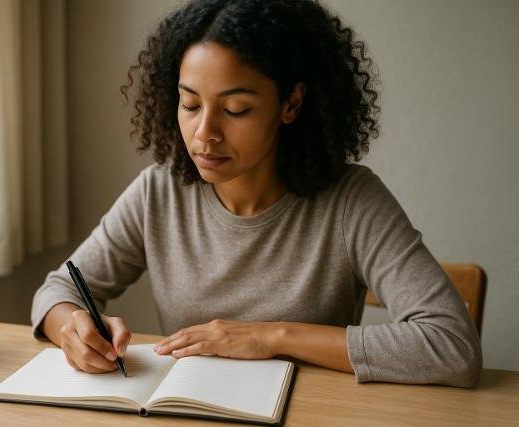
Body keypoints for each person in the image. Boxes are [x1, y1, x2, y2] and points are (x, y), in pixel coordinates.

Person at [32, 0, 482, 387]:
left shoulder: (351, 201)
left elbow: (451, 345)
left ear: (292, 104)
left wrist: (268, 337)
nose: (204, 133)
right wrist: (72, 327)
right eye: (189, 104)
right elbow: (57, 291)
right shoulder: (160, 190)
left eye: (235, 109)